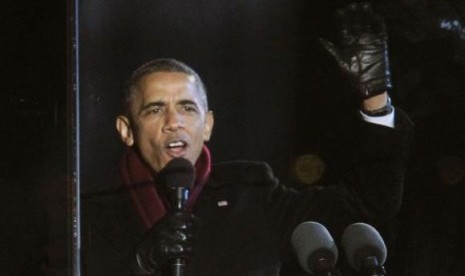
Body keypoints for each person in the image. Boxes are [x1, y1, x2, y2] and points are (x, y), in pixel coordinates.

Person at [81, 3, 413, 275]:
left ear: (207, 125)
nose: (173, 122)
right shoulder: (88, 213)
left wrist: (376, 100)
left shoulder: (251, 193)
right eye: (154, 110)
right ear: (126, 130)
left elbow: (368, 203)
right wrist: (138, 264)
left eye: (187, 108)